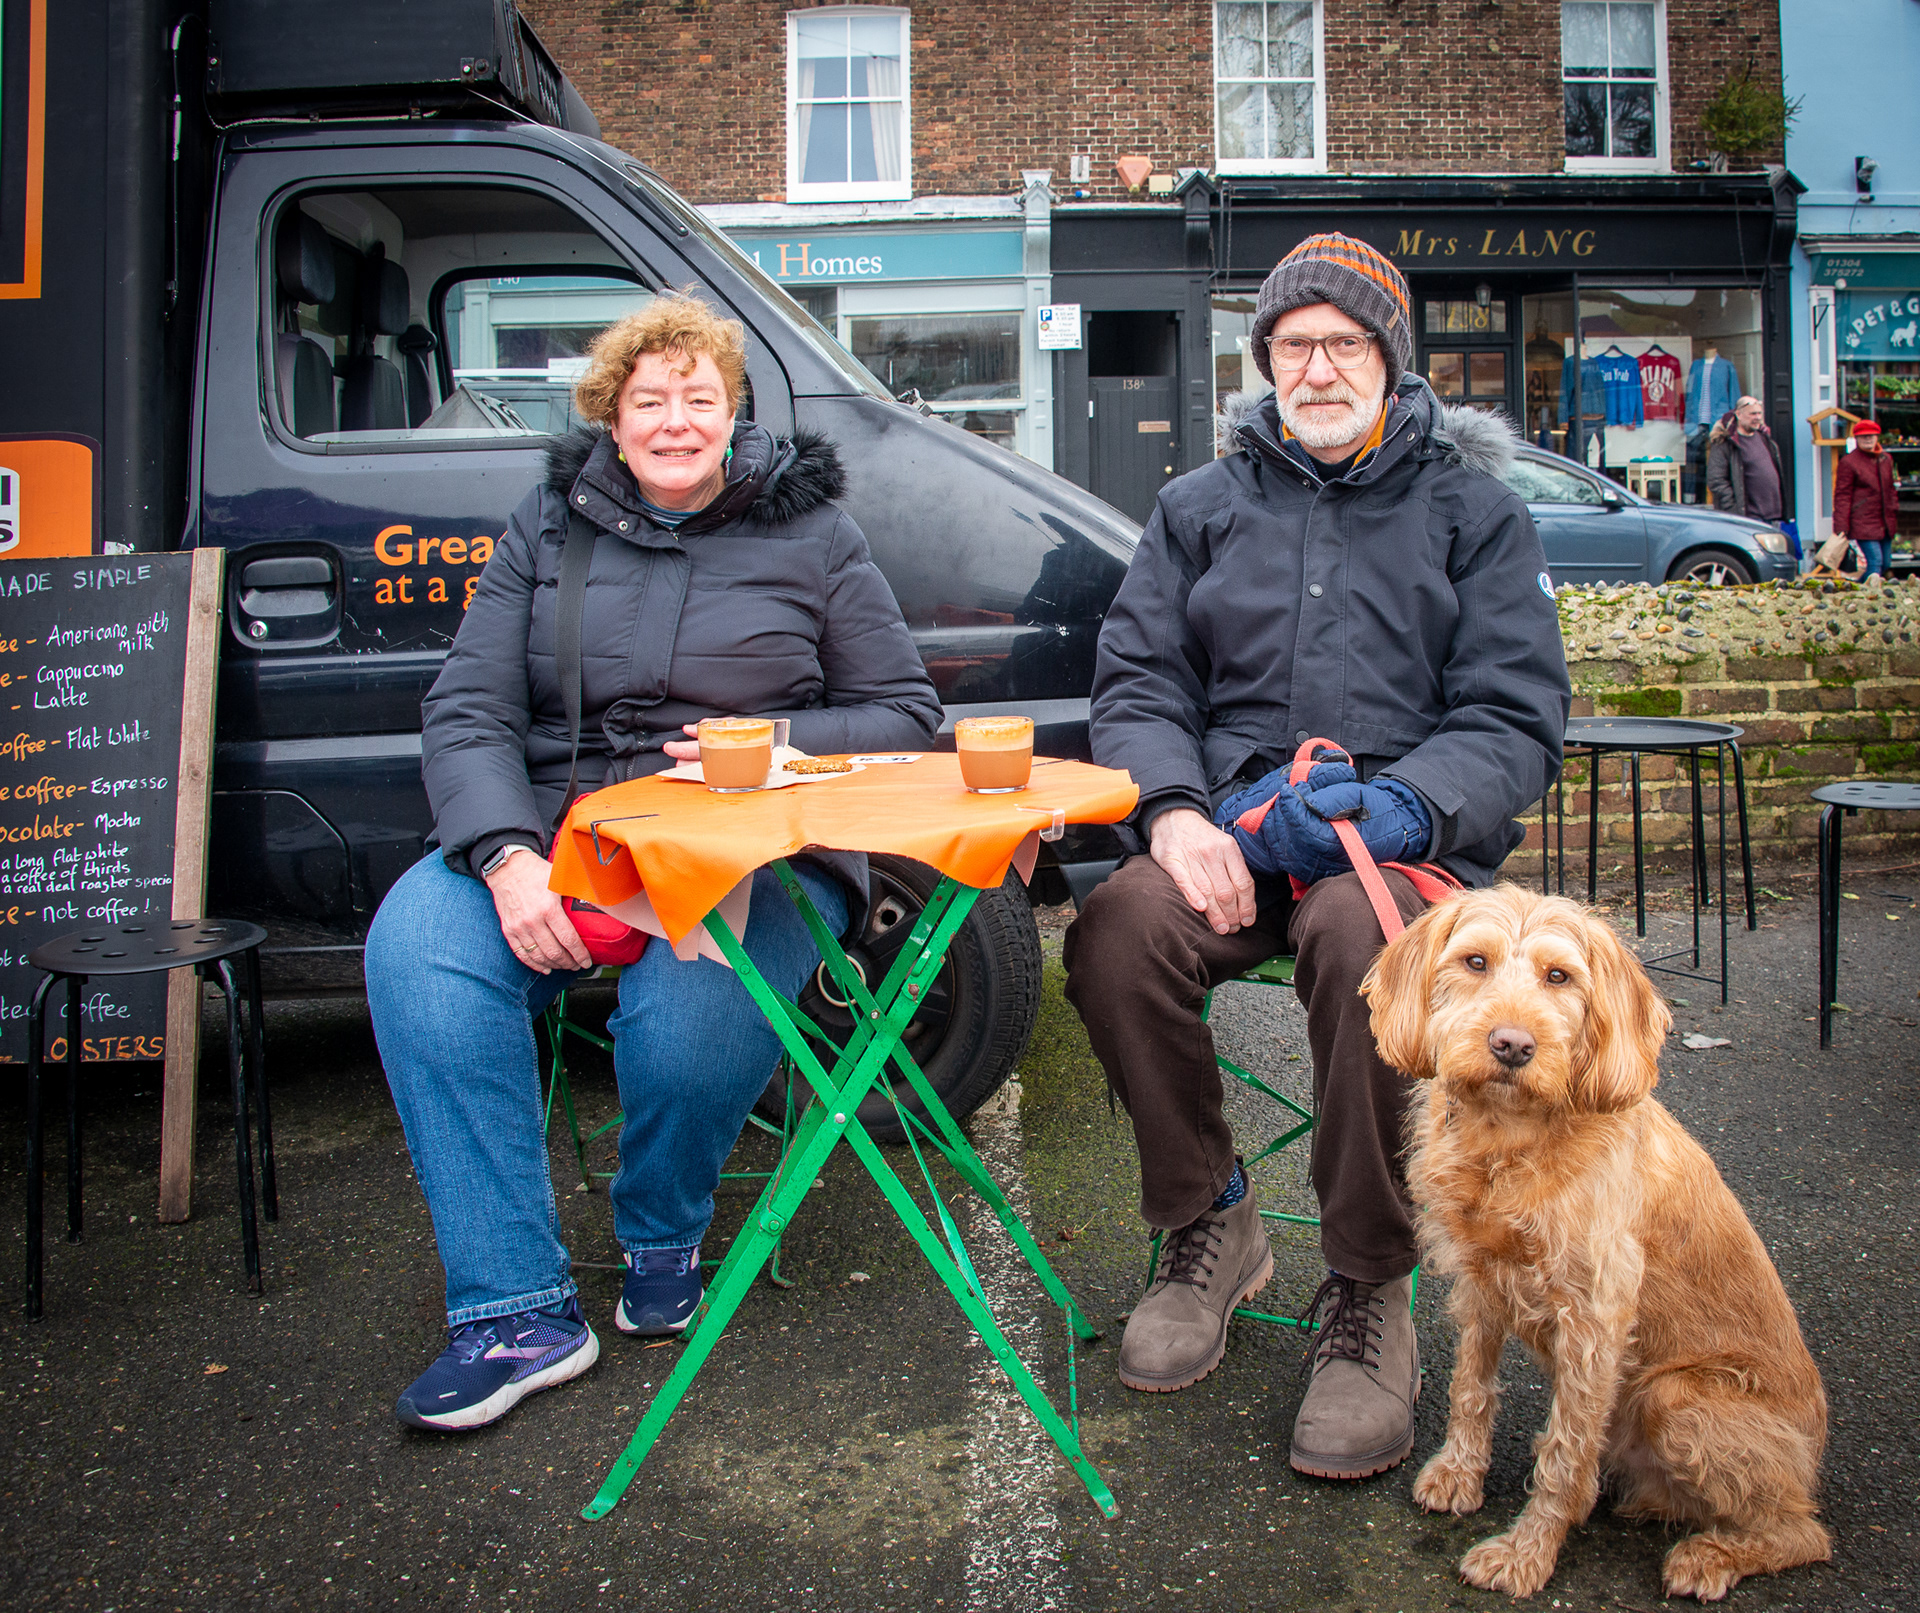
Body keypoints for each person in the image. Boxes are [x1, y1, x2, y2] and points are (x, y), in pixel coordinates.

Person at [364, 293, 940, 1432]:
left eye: (700, 398)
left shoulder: (814, 531)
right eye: (650, 400)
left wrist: (778, 744)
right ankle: (518, 1309)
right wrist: (507, 858)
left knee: (687, 1031)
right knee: (418, 952)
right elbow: (468, 708)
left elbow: (903, 713)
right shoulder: (547, 521)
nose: (675, 421)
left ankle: (663, 1226)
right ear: (612, 418)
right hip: (556, 833)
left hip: (757, 849)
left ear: (734, 414)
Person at [1062, 233, 1569, 1480]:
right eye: (1295, 345)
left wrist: (1409, 805)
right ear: (1266, 364)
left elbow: (1513, 713)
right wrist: (1176, 813)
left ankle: (1367, 1281)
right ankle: (1208, 1219)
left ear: (1392, 364)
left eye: (1345, 343)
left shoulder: (1475, 513)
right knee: (1115, 929)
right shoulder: (1197, 509)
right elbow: (1136, 684)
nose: (1319, 367)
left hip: (1400, 845)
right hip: (1233, 827)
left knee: (1368, 944)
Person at [1832, 418, 1900, 579]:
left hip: (1885, 520)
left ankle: (1857, 589)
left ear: (1877, 437)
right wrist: (1841, 524)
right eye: (1863, 436)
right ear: (1856, 439)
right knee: (1875, 563)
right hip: (1863, 520)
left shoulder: (1885, 459)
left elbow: (1890, 488)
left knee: (1885, 564)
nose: (1868, 439)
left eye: (1871, 435)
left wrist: (1894, 507)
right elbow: (1842, 494)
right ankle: (1868, 597)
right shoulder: (1849, 462)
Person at [1706, 395, 1786, 526]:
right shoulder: (1725, 442)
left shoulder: (1764, 438)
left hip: (1772, 516)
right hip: (1747, 517)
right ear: (1739, 414)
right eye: (1753, 414)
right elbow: (1716, 480)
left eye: (1759, 413)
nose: (1758, 418)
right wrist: (1734, 507)